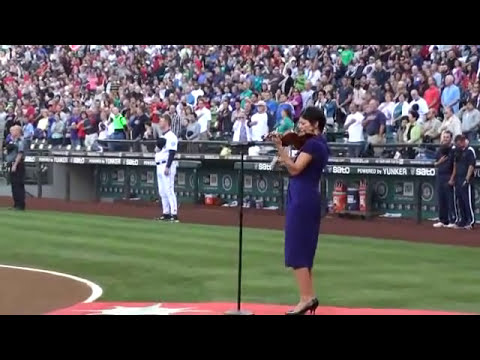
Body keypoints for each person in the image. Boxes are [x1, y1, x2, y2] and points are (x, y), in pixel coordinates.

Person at [271, 106, 329, 315]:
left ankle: (306, 298)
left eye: (304, 123)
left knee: (297, 249)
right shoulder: (317, 144)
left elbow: (296, 169)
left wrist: (280, 148)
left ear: (316, 125)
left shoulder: (313, 145)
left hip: (303, 198)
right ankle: (308, 296)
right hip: (306, 195)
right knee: (304, 248)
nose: (300, 127)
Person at [154, 114, 179, 223]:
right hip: (159, 165)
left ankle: (174, 214)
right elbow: (157, 150)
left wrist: (168, 166)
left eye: (162, 121)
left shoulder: (171, 136)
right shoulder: (163, 136)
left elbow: (172, 152)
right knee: (162, 191)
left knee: (169, 190)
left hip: (166, 165)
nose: (160, 122)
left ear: (167, 122)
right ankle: (166, 213)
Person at [451, 134, 476, 229]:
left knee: (468, 201)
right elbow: (455, 165)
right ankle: (463, 220)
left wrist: (467, 179)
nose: (458, 145)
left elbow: (471, 165)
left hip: (466, 179)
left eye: (459, 143)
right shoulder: (458, 151)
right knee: (460, 201)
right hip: (458, 178)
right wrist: (453, 178)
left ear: (463, 141)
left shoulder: (470, 150)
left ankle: (471, 221)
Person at [433, 131, 456, 228]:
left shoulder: (454, 150)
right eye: (444, 137)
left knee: (450, 200)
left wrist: (452, 178)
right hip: (440, 175)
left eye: (447, 137)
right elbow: (434, 164)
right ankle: (442, 220)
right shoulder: (439, 150)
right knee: (441, 199)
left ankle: (452, 220)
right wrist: (439, 162)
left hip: (449, 175)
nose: (445, 139)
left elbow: (456, 166)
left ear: (451, 138)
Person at [5, 125, 26, 211]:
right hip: (11, 164)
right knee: (14, 185)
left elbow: (20, 154)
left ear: (18, 132)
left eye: (13, 131)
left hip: (18, 164)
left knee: (18, 185)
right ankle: (16, 204)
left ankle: (20, 205)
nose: (11, 133)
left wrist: (15, 164)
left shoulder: (20, 141)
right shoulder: (12, 141)